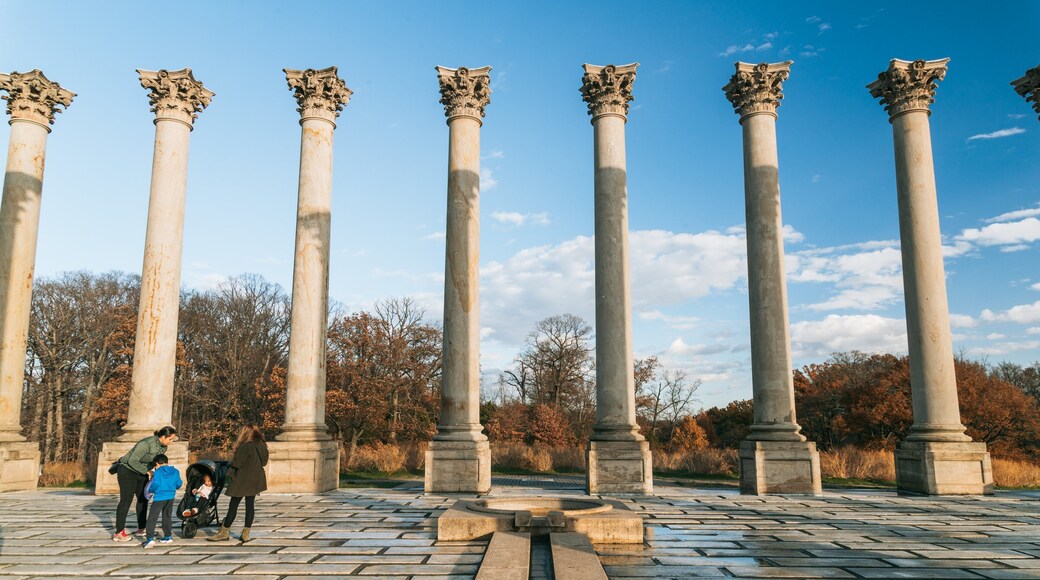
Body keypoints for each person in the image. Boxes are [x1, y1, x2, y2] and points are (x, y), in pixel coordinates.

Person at [112, 426, 177, 542]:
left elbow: (156, 462)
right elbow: (132, 460)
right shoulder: (146, 443)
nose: (171, 442)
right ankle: (119, 532)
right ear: (163, 437)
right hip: (127, 471)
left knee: (143, 499)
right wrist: (147, 471)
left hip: (142, 472)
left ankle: (142, 528)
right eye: (170, 439)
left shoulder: (163, 447)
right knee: (126, 500)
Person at [208, 425, 268, 543]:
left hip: (242, 479)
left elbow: (237, 463)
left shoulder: (244, 446)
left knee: (233, 505)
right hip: (256, 478)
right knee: (250, 506)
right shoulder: (262, 445)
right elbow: (264, 462)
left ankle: (224, 532)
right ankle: (246, 534)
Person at [141, 454, 182, 549]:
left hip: (159, 497)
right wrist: (172, 487)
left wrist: (150, 490)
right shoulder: (175, 471)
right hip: (170, 497)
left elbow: (156, 484)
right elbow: (179, 483)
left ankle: (150, 538)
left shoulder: (158, 472)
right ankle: (168, 536)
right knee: (167, 516)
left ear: (157, 464)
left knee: (152, 517)